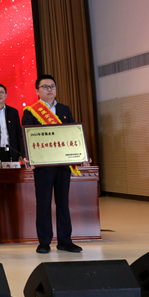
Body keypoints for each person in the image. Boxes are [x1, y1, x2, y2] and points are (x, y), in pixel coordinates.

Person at [22, 75, 89, 254]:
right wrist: (27, 157)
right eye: (45, 87)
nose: (49, 89)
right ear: (37, 91)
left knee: (63, 203)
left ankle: (65, 241)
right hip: (43, 167)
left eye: (52, 86)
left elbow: (73, 134)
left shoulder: (64, 109)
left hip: (63, 165)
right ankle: (44, 242)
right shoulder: (31, 112)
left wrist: (82, 154)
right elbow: (25, 137)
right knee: (43, 204)